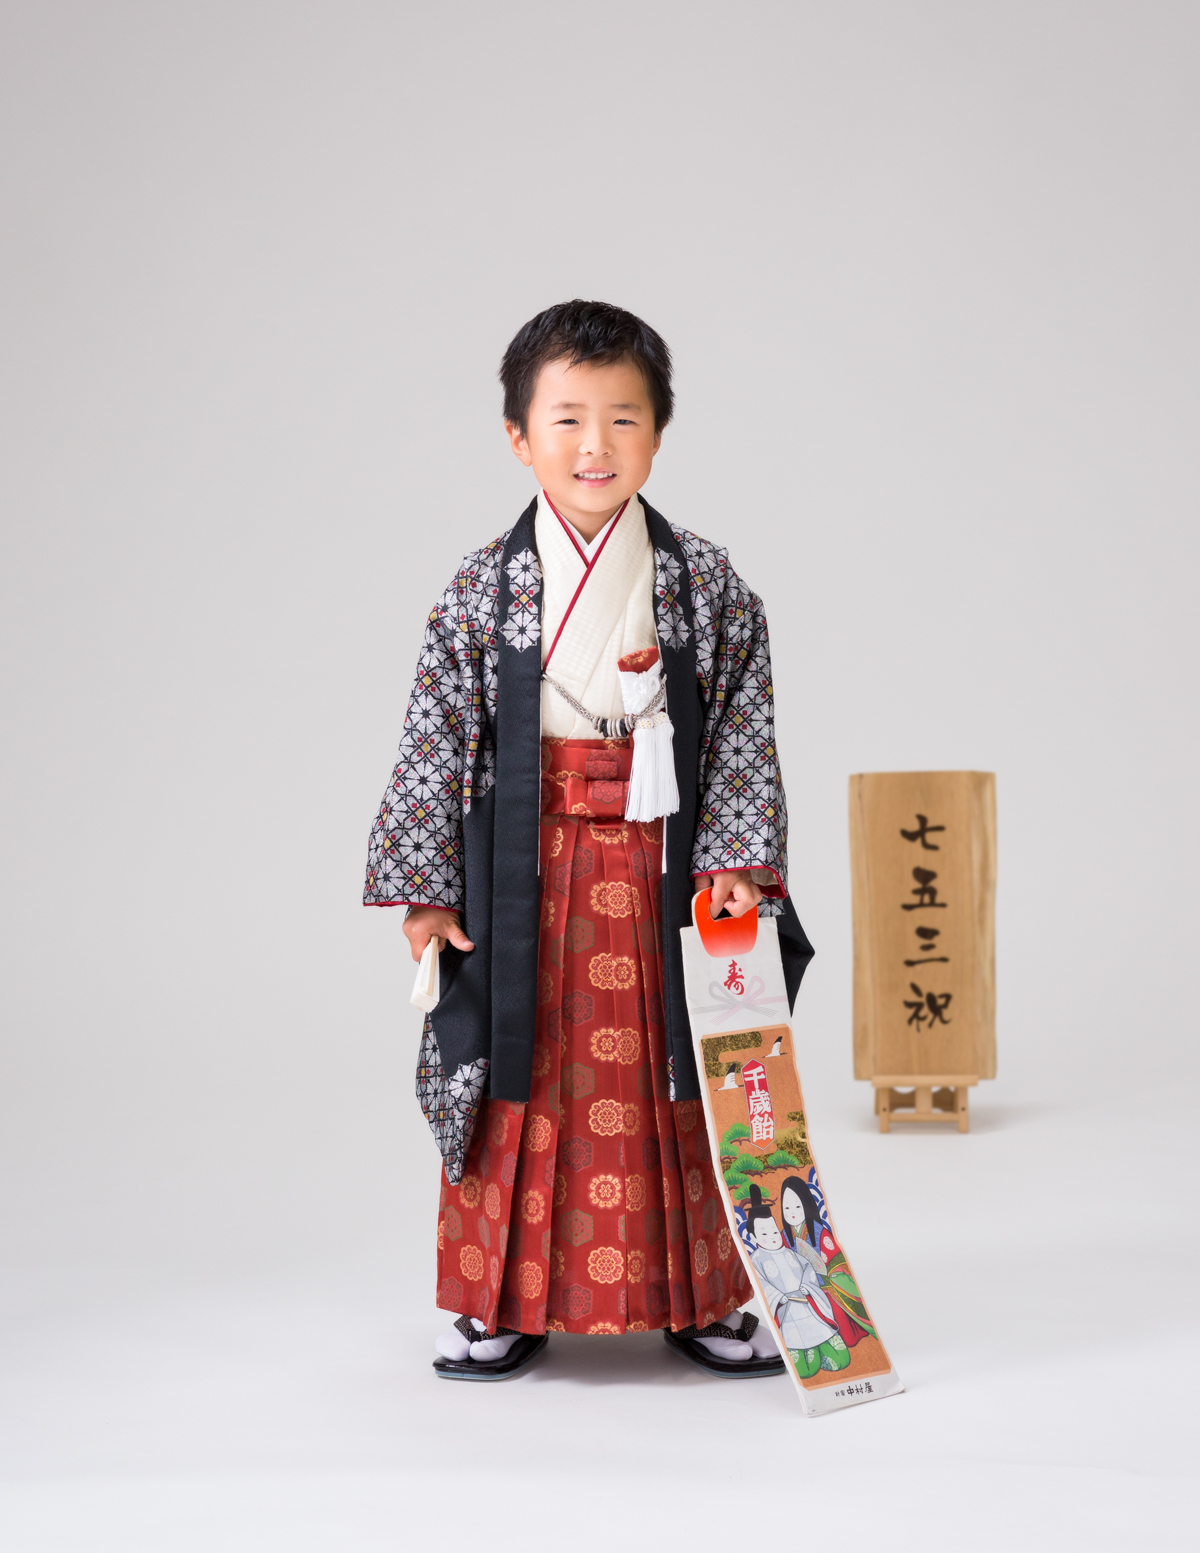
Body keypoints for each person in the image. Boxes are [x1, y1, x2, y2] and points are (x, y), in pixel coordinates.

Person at [363, 300, 814, 1379]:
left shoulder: (706, 583)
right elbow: (434, 733)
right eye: (566, 419)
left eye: (623, 418)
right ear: (518, 437)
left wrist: (737, 864)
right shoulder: (481, 588)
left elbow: (741, 734)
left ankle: (706, 1295)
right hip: (524, 875)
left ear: (658, 431)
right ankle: (501, 1302)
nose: (594, 444)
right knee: (511, 1069)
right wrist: (427, 888)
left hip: (668, 871)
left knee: (686, 1070)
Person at [744, 1185, 850, 1378]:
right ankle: (808, 1360)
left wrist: (807, 1288)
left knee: (841, 1358)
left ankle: (827, 1354)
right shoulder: (756, 1259)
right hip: (786, 1311)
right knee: (804, 1367)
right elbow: (761, 1283)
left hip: (808, 1304)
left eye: (774, 1231)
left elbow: (809, 1269)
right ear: (753, 1237)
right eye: (764, 1234)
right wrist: (779, 1298)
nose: (772, 1237)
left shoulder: (791, 1253)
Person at [778, 1174, 874, 1347]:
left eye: (797, 1206)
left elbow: (836, 1262)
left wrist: (830, 1274)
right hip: (799, 1291)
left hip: (824, 1289)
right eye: (787, 1207)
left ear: (807, 1205)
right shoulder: (783, 1237)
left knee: (842, 1328)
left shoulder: (819, 1233)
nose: (792, 1212)